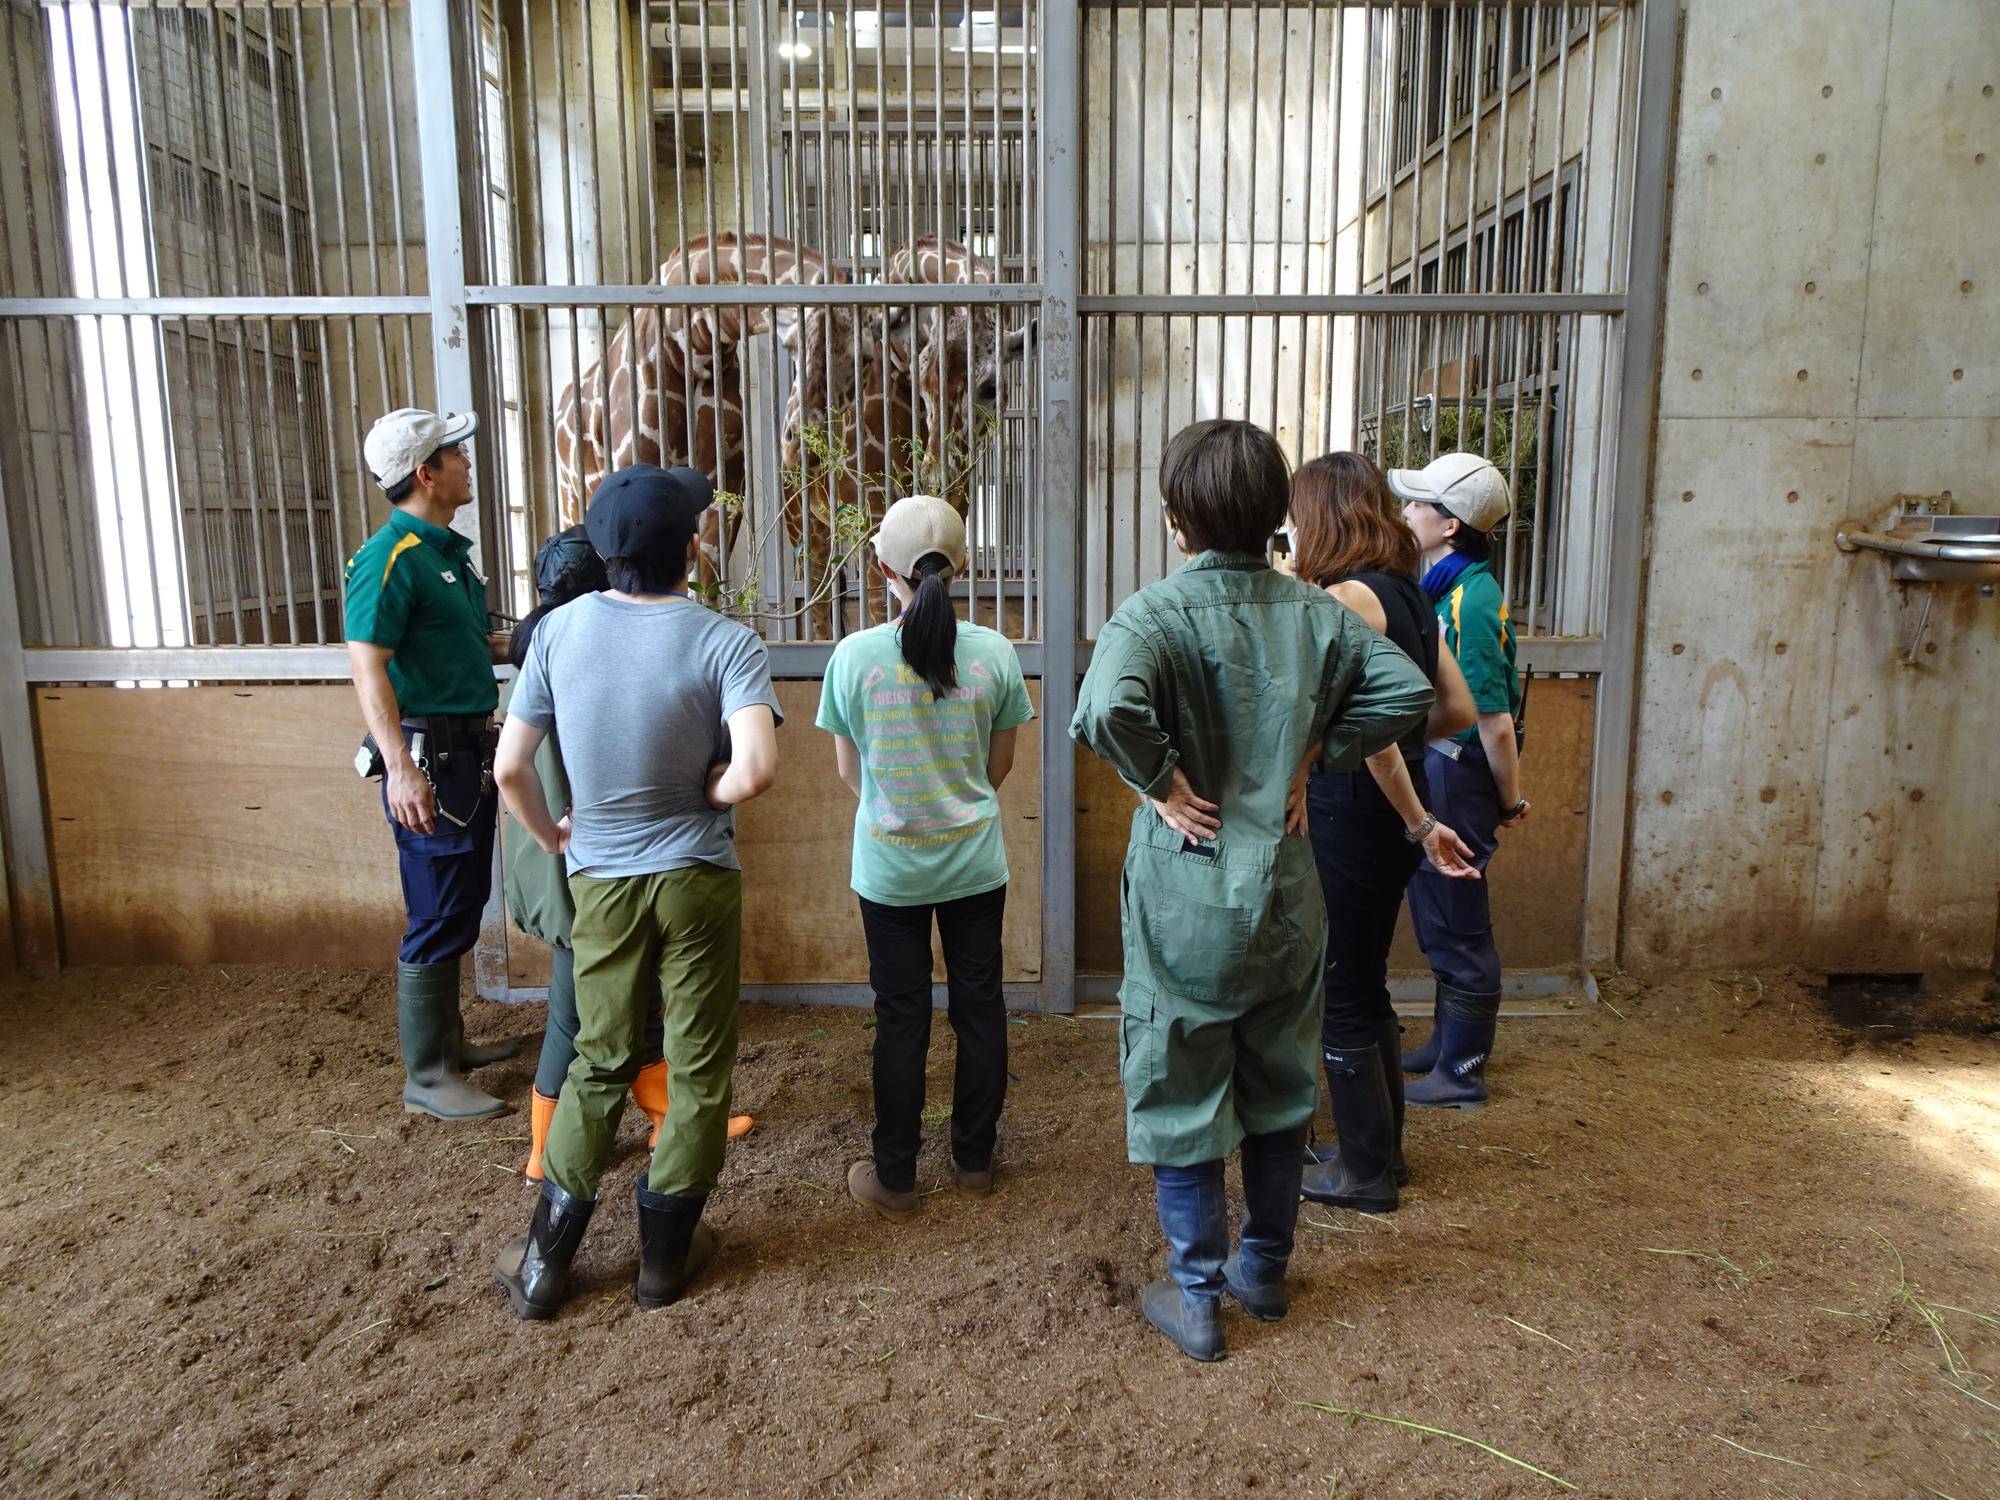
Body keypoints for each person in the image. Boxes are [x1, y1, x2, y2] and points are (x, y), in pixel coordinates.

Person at [1070, 419, 1434, 1363]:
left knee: (1180, 1077)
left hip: (1184, 892)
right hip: (1285, 886)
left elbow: (1106, 709)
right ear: (1276, 513)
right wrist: (1318, 751)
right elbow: (1407, 694)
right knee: (1280, 1084)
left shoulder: (1148, 615)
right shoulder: (1316, 612)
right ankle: (1262, 1270)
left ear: (1176, 520)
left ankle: (1196, 1297)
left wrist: (1159, 781)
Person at [490, 465, 781, 1320]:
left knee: (600, 1057)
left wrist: (554, 837)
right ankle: (664, 1260)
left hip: (603, 881)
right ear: (688, 548)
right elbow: (757, 768)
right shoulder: (725, 640)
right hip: (697, 878)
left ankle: (545, 1266)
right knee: (697, 1063)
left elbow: (510, 767)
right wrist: (710, 793)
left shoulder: (557, 634)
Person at [501, 525, 754, 1180]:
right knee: (578, 1018)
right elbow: (532, 775)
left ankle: (661, 1109)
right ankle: (545, 1151)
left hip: (581, 860)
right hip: (581, 867)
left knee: (629, 1004)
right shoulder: (570, 655)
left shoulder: (552, 647)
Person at [816, 495, 1034, 1220]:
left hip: (889, 869)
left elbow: (853, 775)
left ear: (881, 567)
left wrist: (901, 806)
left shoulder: (853, 657)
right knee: (981, 1008)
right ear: (965, 565)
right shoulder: (996, 653)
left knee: (900, 1017)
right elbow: (997, 768)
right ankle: (974, 1161)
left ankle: (896, 1175)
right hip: (974, 862)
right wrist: (954, 803)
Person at [1285, 453, 1479, 1213]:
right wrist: (1416, 810)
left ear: (1322, 517)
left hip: (1348, 813)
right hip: (1390, 812)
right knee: (1363, 981)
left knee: (1340, 986)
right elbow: (1455, 709)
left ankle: (1362, 1172)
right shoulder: (1408, 594)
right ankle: (1381, 1153)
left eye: (1301, 514)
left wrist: (1324, 762)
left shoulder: (1342, 601)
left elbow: (1343, 724)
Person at [344, 407, 519, 1121]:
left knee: (463, 901)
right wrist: (401, 769)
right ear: (426, 472)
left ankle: (449, 1044)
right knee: (438, 907)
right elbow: (367, 667)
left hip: (465, 749)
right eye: (457, 453)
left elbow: (472, 646)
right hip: (429, 756)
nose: (468, 464)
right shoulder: (389, 560)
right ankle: (426, 1074)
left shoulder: (446, 554)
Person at [1389, 452, 1528, 1110]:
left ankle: (1463, 1068)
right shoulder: (1447, 587)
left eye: (1418, 505)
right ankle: (1447, 1045)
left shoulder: (1470, 600)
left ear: (1450, 525)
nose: (1406, 512)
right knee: (1440, 916)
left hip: (1457, 768)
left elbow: (1494, 722)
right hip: (1443, 766)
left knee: (1459, 920)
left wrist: (1509, 798)